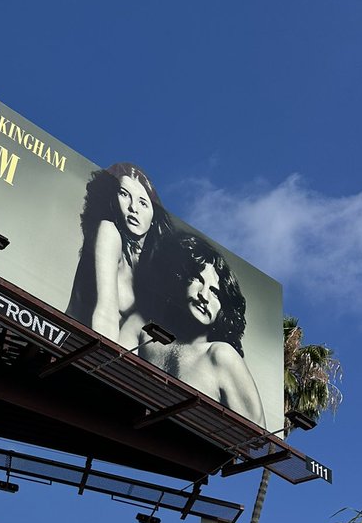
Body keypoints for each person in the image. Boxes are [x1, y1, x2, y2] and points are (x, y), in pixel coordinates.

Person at [122, 232, 265, 426]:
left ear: (224, 307)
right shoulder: (144, 327)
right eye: (197, 279)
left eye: (215, 292)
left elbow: (259, 442)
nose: (204, 295)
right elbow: (111, 375)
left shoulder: (221, 355)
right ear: (179, 278)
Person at [66, 163, 172, 343]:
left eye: (143, 202)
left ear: (154, 217)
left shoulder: (151, 265)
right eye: (124, 194)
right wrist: (101, 362)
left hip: (112, 358)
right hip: (75, 346)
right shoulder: (109, 231)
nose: (133, 207)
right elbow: (106, 312)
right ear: (112, 199)